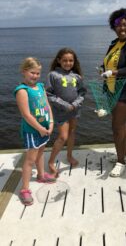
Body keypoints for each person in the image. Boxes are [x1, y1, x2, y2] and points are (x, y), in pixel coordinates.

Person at [100, 8, 126, 177]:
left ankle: (120, 163)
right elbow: (109, 62)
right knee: (122, 123)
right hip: (112, 89)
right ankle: (124, 153)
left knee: (116, 126)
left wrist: (113, 73)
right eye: (118, 25)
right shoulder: (114, 43)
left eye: (125, 25)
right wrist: (104, 69)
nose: (122, 28)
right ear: (114, 27)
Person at [15, 57, 56, 206]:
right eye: (32, 73)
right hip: (33, 131)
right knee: (30, 160)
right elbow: (26, 115)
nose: (35, 76)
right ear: (24, 72)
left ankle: (40, 175)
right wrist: (39, 129)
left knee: (41, 153)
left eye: (38, 73)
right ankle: (25, 189)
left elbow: (47, 106)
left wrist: (50, 122)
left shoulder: (40, 87)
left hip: (44, 129)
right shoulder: (22, 91)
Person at [46, 47, 86, 177]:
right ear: (59, 60)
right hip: (61, 111)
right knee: (63, 136)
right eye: (65, 60)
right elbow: (49, 94)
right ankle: (51, 162)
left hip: (74, 110)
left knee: (72, 132)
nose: (68, 63)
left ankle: (69, 155)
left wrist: (74, 104)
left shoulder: (77, 76)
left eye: (71, 60)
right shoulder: (53, 75)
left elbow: (82, 92)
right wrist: (65, 105)